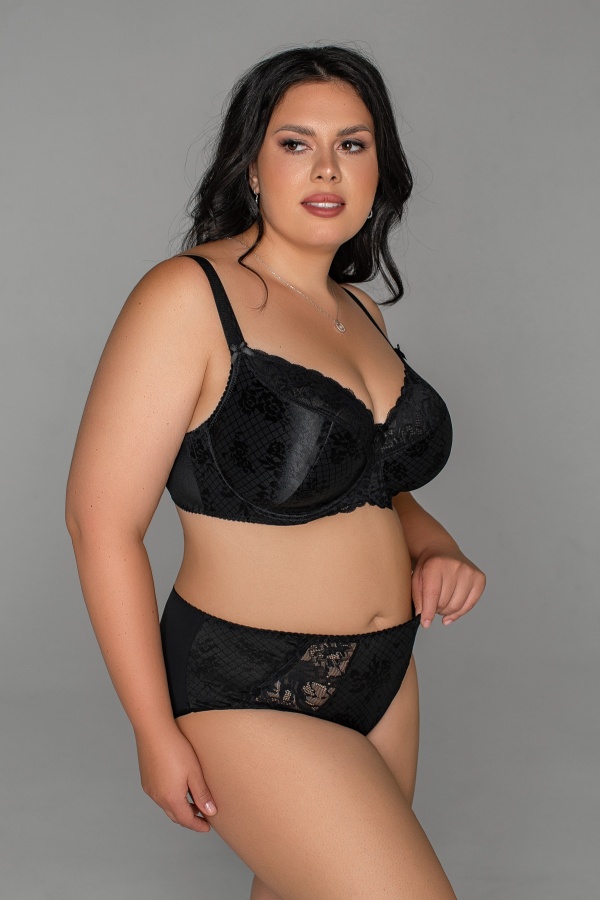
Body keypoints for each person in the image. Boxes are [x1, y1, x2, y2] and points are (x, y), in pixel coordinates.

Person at [65, 45, 485, 899]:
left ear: (378, 168)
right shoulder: (188, 297)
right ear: (251, 166)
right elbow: (100, 524)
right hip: (244, 684)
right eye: (296, 143)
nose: (327, 167)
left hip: (385, 674)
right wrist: (152, 730)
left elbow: (375, 484)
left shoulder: (358, 311)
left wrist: (435, 544)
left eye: (352, 144)